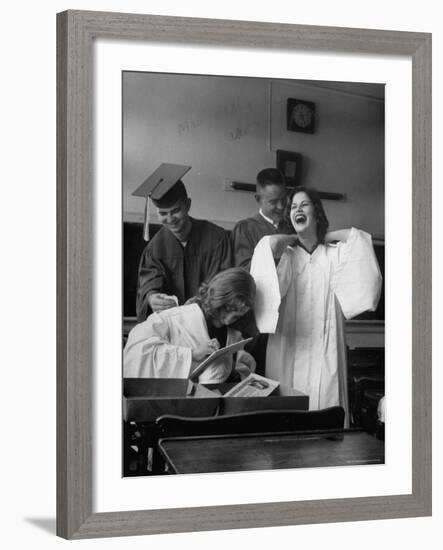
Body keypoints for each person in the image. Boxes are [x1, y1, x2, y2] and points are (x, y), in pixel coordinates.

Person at [250, 187, 382, 421]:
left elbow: (358, 240)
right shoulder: (287, 256)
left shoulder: (334, 254)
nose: (297, 209)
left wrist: (327, 237)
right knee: (287, 410)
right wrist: (293, 238)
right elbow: (268, 249)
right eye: (292, 207)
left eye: (304, 205)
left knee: (325, 404)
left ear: (317, 212)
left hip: (325, 344)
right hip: (290, 343)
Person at [133, 163, 232, 322]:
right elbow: (148, 283)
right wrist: (151, 298)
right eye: (163, 213)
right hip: (173, 328)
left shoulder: (217, 238)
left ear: (188, 205)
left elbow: (224, 281)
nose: (170, 219)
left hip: (209, 325)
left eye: (175, 210)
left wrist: (200, 302)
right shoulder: (155, 248)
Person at [124, 268, 257, 383]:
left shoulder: (232, 333)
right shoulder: (171, 319)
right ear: (218, 299)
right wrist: (190, 354)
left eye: (236, 316)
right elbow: (136, 355)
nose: (228, 320)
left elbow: (235, 371)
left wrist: (237, 363)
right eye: (228, 309)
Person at [231, 168, 295, 271]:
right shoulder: (245, 229)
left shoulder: (293, 226)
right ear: (258, 199)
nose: (280, 206)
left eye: (283, 199)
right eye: (273, 202)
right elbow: (242, 272)